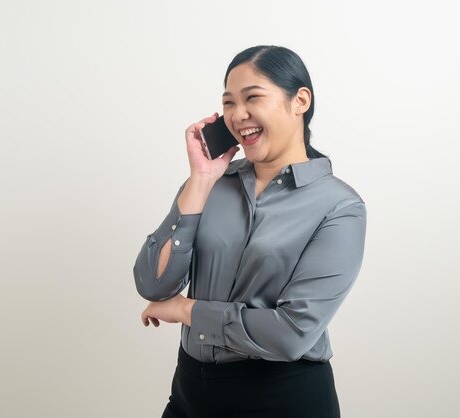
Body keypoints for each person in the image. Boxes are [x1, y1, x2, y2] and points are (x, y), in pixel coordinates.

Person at [133, 45, 367, 418]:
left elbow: (290, 333)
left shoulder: (339, 207)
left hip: (281, 397)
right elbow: (154, 284)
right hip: (190, 393)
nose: (237, 115)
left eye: (252, 98)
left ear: (300, 100)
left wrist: (186, 309)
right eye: (228, 102)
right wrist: (200, 179)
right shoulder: (211, 185)